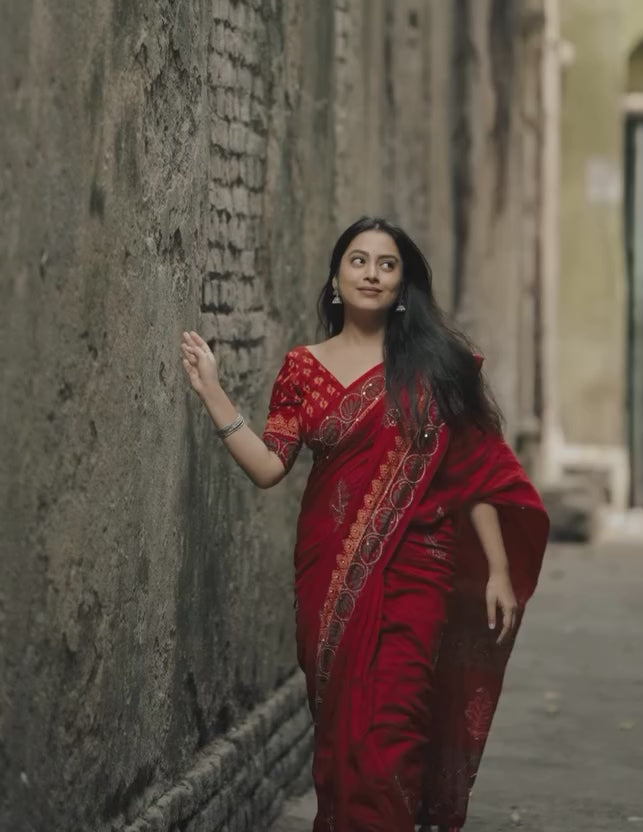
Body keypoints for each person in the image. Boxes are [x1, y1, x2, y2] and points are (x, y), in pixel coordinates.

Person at [181, 216, 549, 831]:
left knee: (391, 736)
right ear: (335, 279)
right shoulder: (302, 368)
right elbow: (271, 467)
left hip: (416, 572)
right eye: (359, 260)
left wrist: (499, 572)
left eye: (387, 264)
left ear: (403, 285)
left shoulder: (436, 368)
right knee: (341, 741)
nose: (372, 273)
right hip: (326, 575)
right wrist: (214, 393)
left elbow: (476, 474)